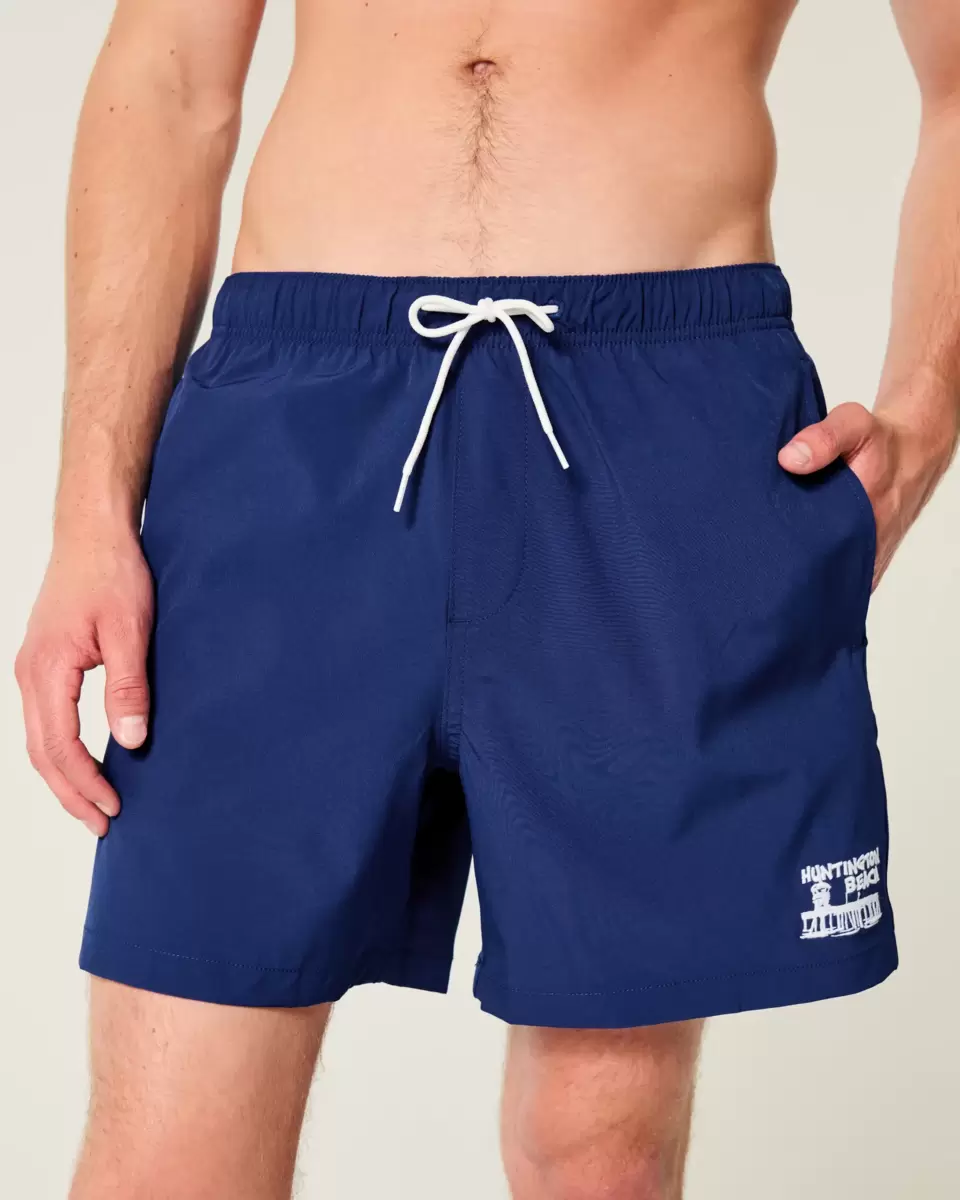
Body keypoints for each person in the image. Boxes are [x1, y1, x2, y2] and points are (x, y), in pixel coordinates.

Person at [15, 1, 960, 1197]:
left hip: (658, 413)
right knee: (169, 1153)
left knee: (598, 1155)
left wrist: (923, 419)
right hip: (295, 421)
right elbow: (167, 74)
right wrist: (90, 513)